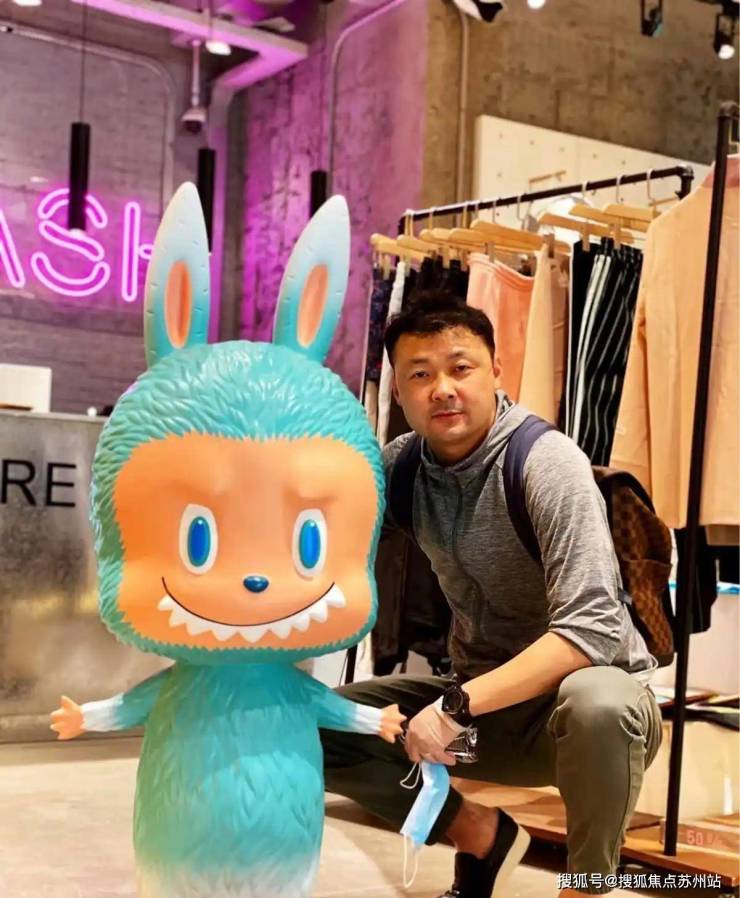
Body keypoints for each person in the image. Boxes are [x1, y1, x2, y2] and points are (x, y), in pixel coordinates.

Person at [320, 293, 663, 898]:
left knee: (598, 705)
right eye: (420, 375)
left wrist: (455, 707)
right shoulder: (401, 467)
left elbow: (589, 633)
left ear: (496, 371)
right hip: (482, 713)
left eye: (461, 367)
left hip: (576, 718)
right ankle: (479, 834)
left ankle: (586, 886)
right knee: (312, 724)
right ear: (397, 391)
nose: (442, 390)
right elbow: (326, 545)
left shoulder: (545, 463)